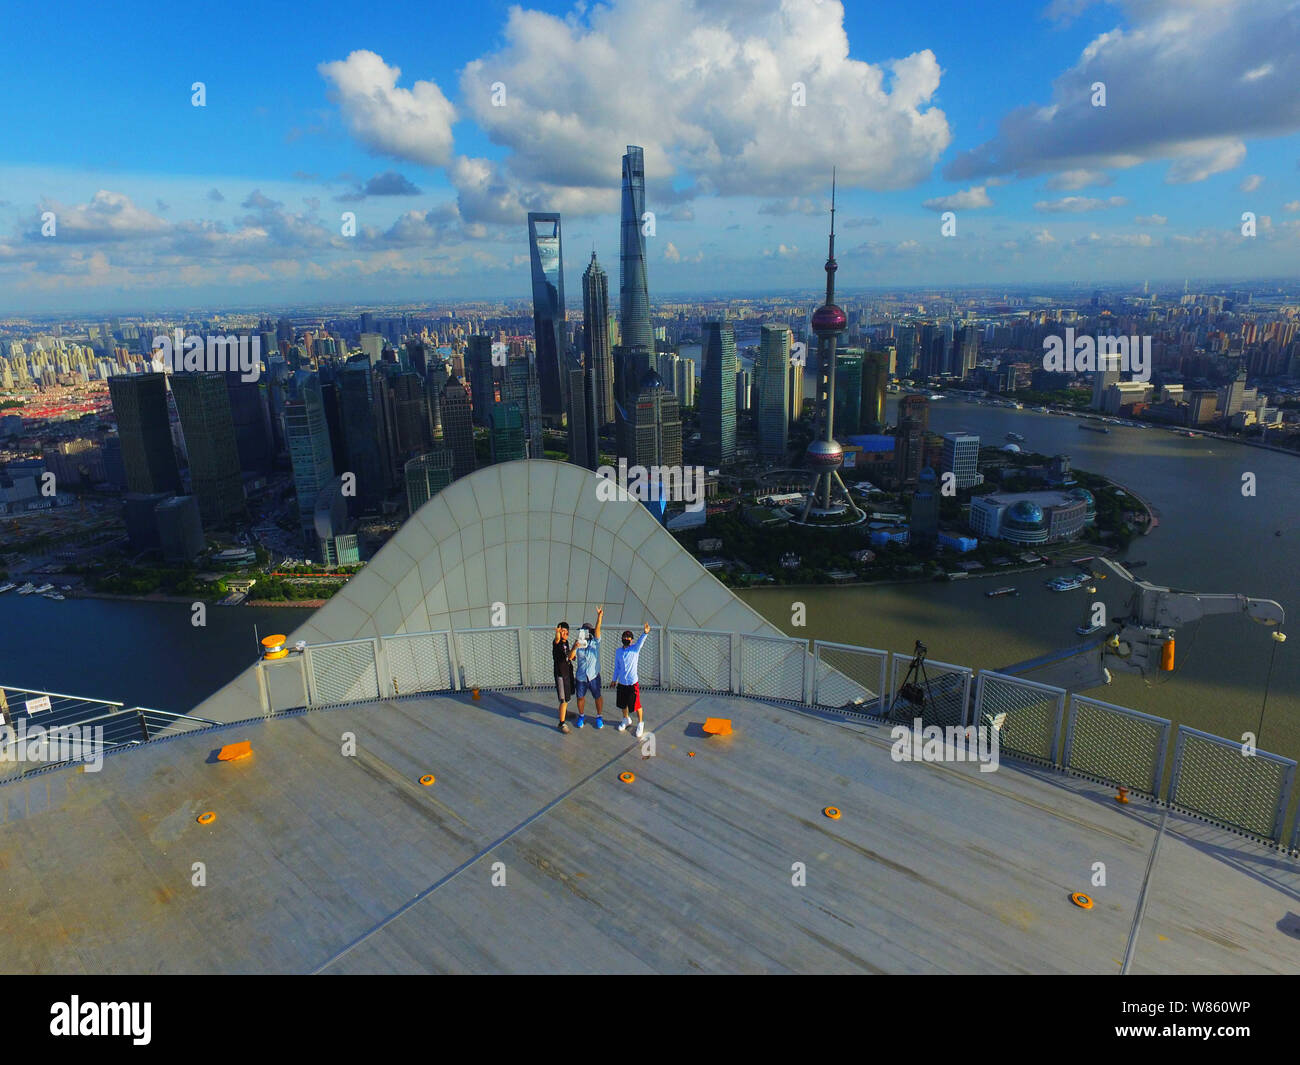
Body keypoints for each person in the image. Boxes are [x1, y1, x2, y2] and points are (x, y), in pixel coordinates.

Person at [613, 622, 651, 738]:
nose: (626, 639)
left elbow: (641, 642)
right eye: (624, 637)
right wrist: (614, 679)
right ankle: (626, 719)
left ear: (631, 640)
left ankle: (640, 723)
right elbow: (617, 667)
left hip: (632, 683)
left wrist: (645, 633)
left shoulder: (635, 649)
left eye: (628, 637)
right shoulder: (618, 652)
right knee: (623, 704)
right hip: (622, 683)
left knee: (636, 704)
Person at [573, 606, 604, 729]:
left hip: (593, 676)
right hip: (581, 677)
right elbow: (571, 657)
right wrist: (575, 647)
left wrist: (599, 617)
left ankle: (599, 716)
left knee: (597, 696)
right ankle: (581, 716)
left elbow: (597, 631)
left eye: (587, 631)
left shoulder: (595, 642)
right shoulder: (578, 644)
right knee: (580, 697)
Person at [553, 621, 577, 734]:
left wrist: (574, 647)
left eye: (567, 632)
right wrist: (557, 633)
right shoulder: (557, 643)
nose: (565, 633)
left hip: (567, 673)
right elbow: (557, 639)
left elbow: (571, 657)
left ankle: (565, 713)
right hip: (561, 675)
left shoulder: (566, 642)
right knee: (564, 700)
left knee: (567, 696)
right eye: (562, 631)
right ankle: (561, 723)